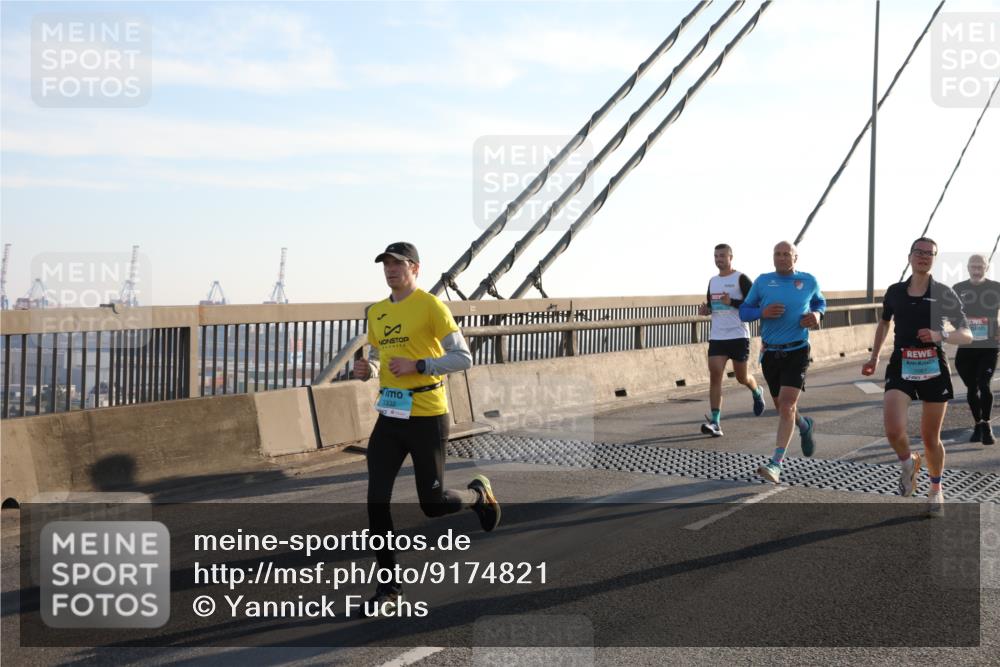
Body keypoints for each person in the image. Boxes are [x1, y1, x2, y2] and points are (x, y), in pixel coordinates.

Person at [353, 242, 500, 615]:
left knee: (431, 505)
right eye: (385, 264)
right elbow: (375, 359)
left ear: (415, 269)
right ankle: (389, 589)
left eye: (398, 264)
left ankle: (477, 497)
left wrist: (420, 365)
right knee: (376, 502)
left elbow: (462, 357)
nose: (390, 270)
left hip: (427, 415)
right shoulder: (377, 312)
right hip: (390, 415)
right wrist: (365, 371)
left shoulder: (432, 306)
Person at [862, 237, 972, 517]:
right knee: (893, 430)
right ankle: (908, 462)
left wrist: (941, 335)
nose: (924, 257)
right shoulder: (895, 291)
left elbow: (967, 334)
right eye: (919, 252)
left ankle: (936, 490)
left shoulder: (944, 293)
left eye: (929, 253)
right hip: (902, 364)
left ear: (934, 258)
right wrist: (875, 357)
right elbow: (884, 322)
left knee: (930, 437)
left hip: (933, 365)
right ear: (910, 256)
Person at [739, 241, 825, 483]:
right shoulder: (763, 281)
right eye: (777, 254)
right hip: (771, 353)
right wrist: (761, 313)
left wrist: (817, 315)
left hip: (797, 351)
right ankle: (805, 426)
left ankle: (775, 463)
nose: (782, 257)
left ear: (795, 258)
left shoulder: (808, 281)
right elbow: (744, 311)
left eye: (787, 254)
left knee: (786, 407)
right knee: (782, 408)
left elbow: (820, 302)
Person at [698, 243, 766, 437]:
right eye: (715, 256)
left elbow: (755, 304)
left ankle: (756, 391)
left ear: (730, 257)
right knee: (715, 376)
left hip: (738, 335)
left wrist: (733, 302)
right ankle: (716, 422)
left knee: (741, 377)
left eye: (722, 256)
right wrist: (706, 311)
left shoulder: (741, 279)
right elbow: (713, 306)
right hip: (718, 336)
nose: (718, 259)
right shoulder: (713, 281)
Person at [952, 254, 999, 445]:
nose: (976, 269)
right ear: (968, 267)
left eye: (980, 266)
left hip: (988, 346)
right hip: (966, 347)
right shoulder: (958, 289)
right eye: (973, 266)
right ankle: (977, 424)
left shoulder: (996, 287)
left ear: (986, 268)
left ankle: (987, 425)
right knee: (972, 388)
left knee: (984, 384)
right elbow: (948, 313)